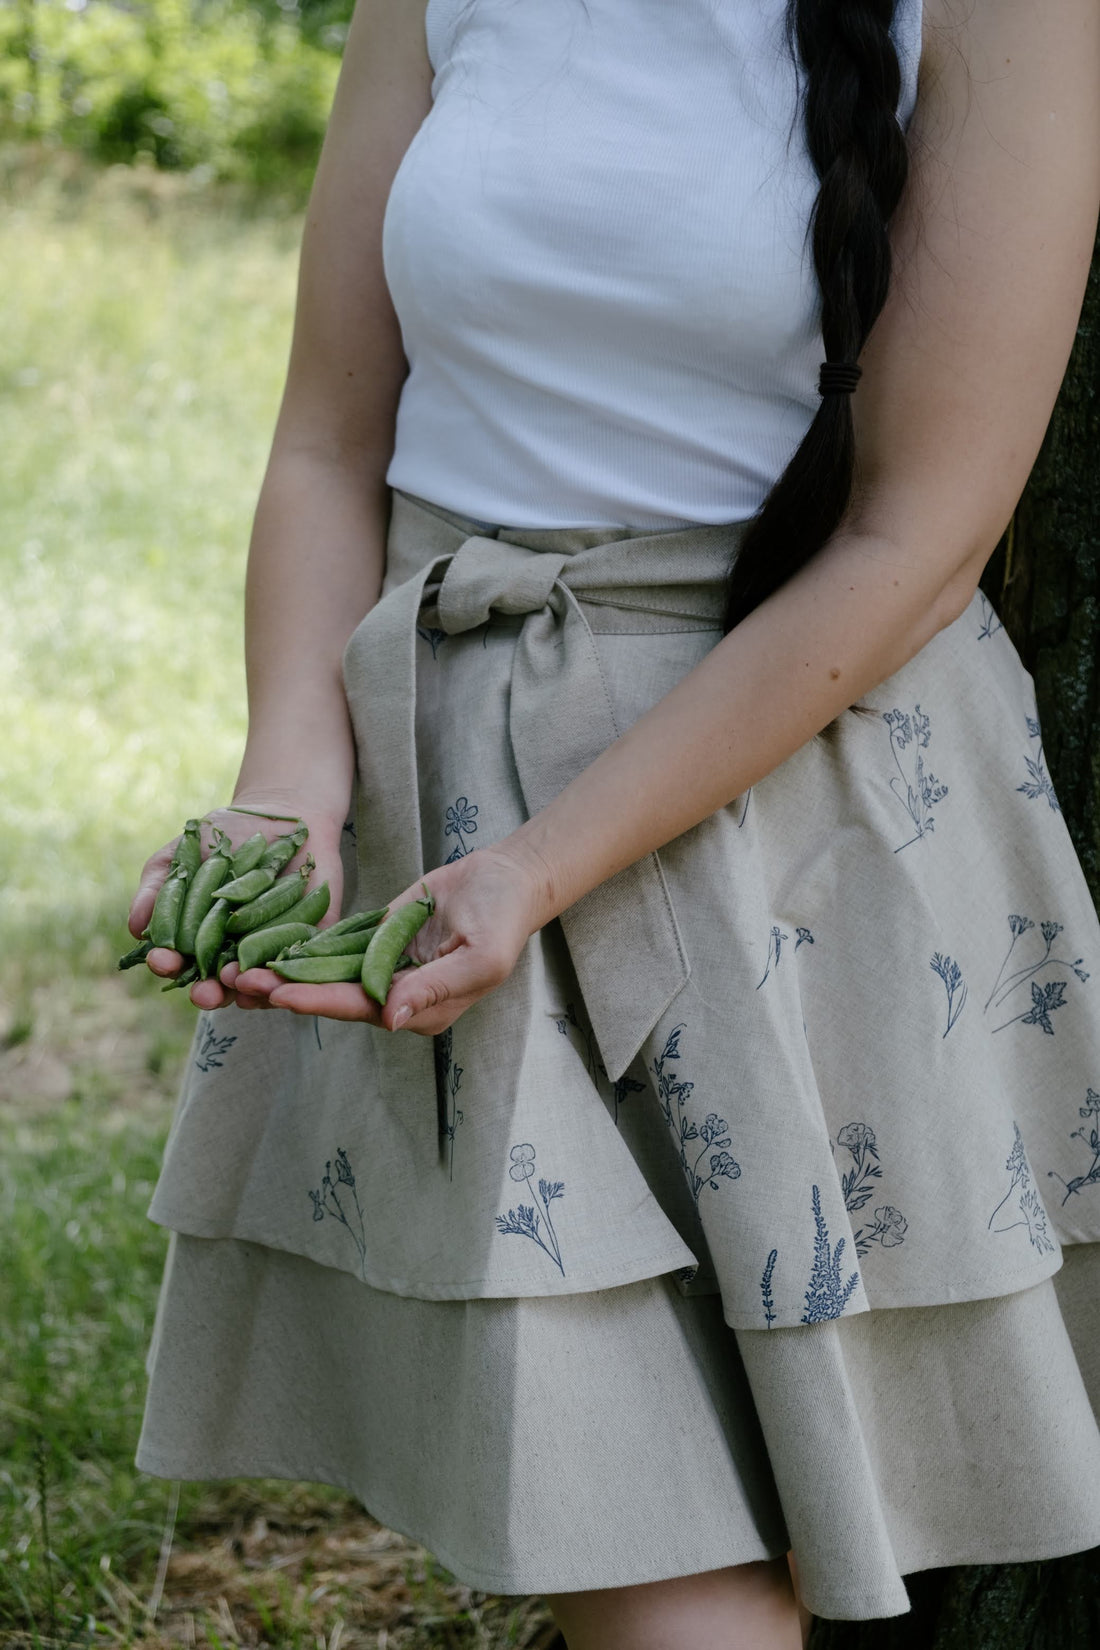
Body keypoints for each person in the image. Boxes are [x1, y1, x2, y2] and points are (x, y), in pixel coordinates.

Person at [129, 0, 1100, 1644]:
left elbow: (920, 541)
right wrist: (292, 775)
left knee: (751, 1534)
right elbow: (325, 438)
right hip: (452, 795)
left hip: (808, 808)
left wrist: (549, 860)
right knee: (642, 1544)